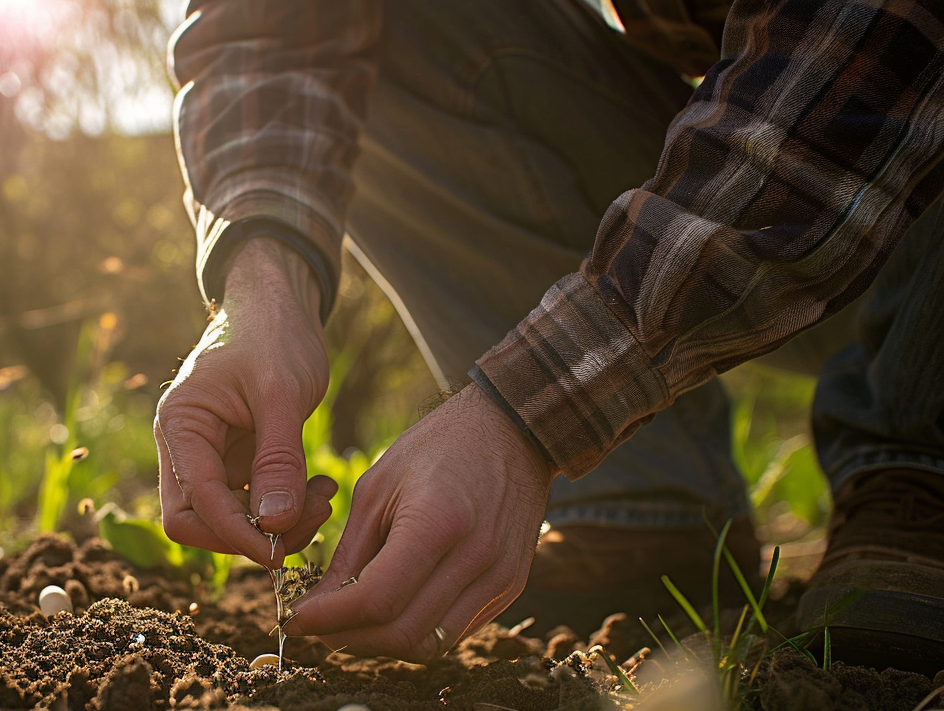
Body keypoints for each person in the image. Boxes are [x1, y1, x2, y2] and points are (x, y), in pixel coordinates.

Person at [154, 0, 944, 673]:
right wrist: (263, 283)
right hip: (780, 192)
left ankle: (920, 457)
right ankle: (642, 495)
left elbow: (874, 58)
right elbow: (264, 29)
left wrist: (525, 416)